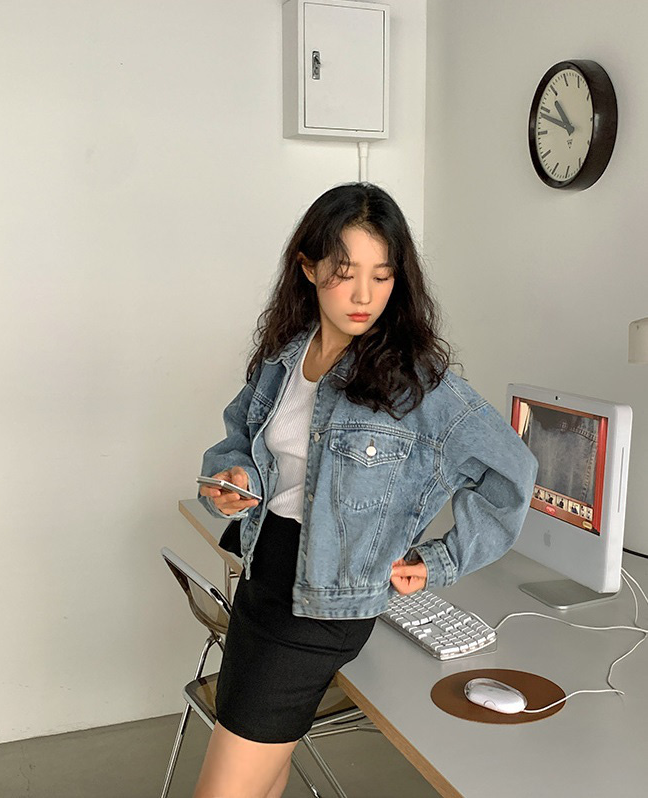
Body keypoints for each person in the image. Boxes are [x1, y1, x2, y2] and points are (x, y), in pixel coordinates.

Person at [195, 183, 538, 798]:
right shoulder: (284, 358)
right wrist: (234, 478)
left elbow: (512, 471)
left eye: (381, 277)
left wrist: (440, 560)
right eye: (344, 272)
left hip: (321, 608)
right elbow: (241, 440)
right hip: (261, 574)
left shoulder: (416, 384)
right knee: (264, 770)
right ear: (308, 268)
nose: (363, 296)